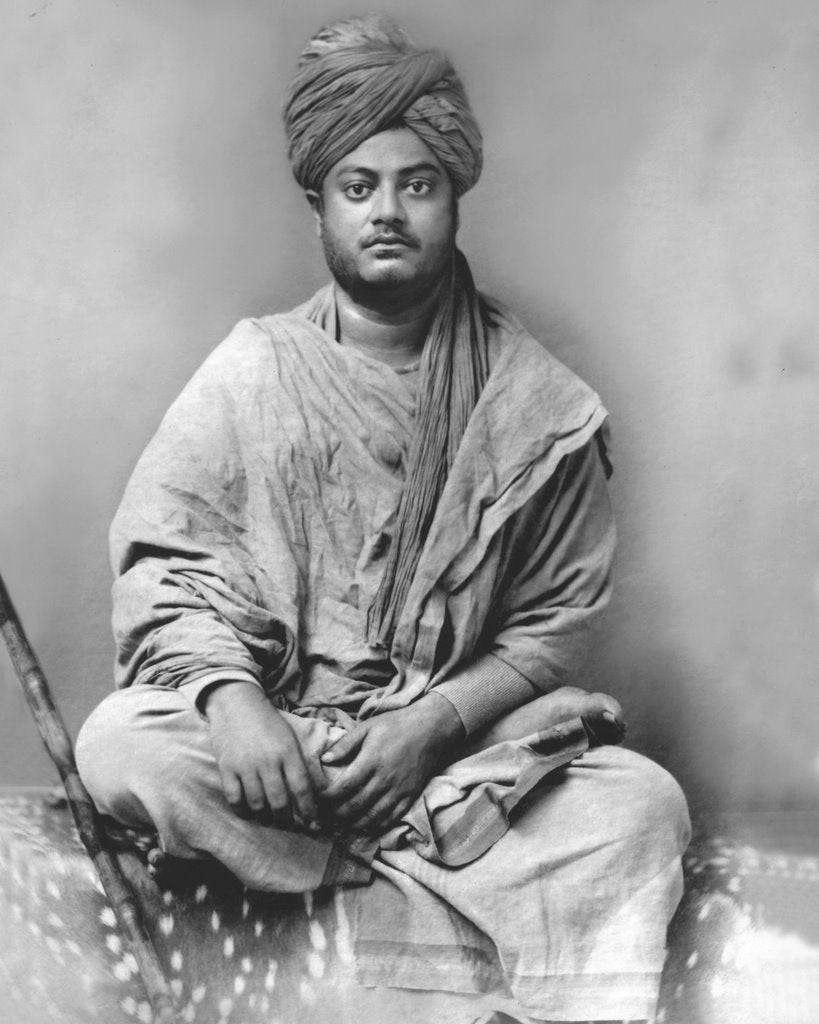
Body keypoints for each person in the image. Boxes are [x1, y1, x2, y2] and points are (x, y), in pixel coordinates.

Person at [76, 14, 690, 1023]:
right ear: (319, 204)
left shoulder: (542, 403)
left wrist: (424, 730)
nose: (389, 211)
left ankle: (354, 889)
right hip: (291, 755)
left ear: (454, 195)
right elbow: (166, 566)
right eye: (359, 187)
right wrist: (233, 703)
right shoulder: (254, 369)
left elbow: (554, 625)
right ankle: (430, 885)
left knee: (639, 805)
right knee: (127, 741)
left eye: (418, 183)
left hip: (453, 750)